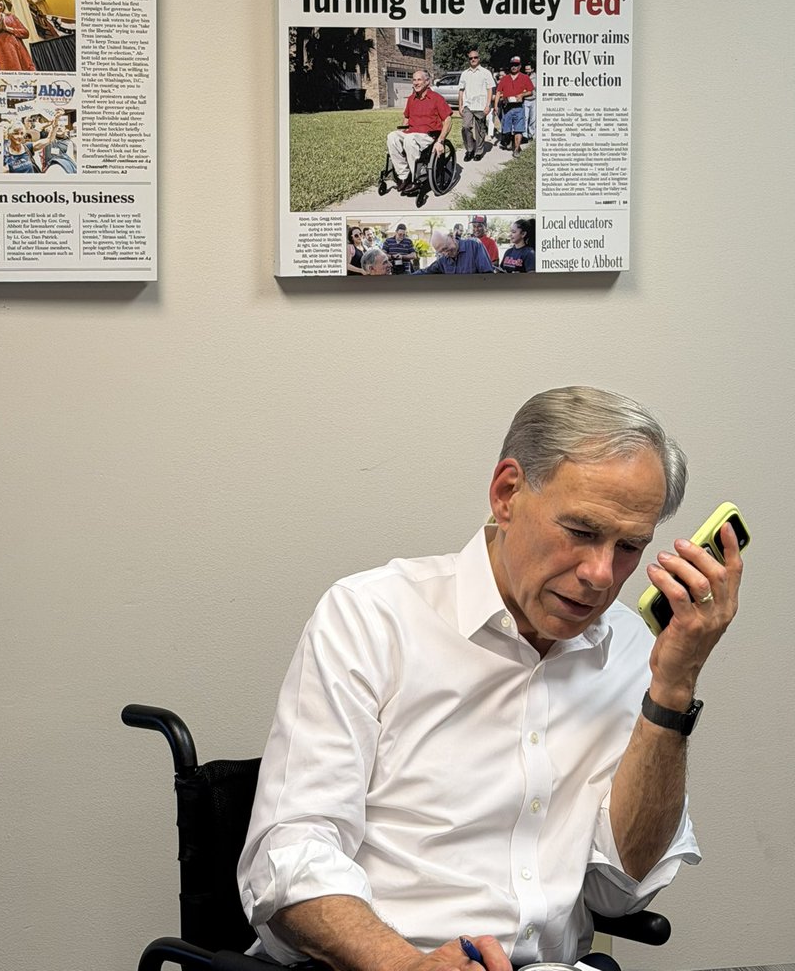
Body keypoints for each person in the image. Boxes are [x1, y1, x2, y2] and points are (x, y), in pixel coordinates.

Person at [239, 386, 743, 971]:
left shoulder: (633, 650)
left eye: (629, 546)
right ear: (507, 493)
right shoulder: (372, 616)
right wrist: (405, 965)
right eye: (581, 531)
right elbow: (290, 856)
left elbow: (622, 888)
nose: (602, 575)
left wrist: (672, 691)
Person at [386, 70, 452, 195]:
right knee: (392, 136)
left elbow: (448, 120)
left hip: (428, 135)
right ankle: (404, 176)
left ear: (427, 82)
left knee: (410, 139)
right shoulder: (411, 99)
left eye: (419, 80)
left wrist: (441, 141)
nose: (416, 83)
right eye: (414, 80)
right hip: (411, 133)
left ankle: (417, 178)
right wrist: (402, 131)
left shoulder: (437, 98)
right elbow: (406, 118)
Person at [457, 49, 495, 162]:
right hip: (468, 106)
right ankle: (469, 149)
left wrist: (488, 105)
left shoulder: (485, 72)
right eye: (471, 58)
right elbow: (461, 90)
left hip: (481, 106)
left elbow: (490, 90)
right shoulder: (464, 73)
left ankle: (478, 151)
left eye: (475, 57)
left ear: (479, 58)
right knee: (465, 127)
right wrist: (460, 106)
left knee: (480, 130)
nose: (473, 59)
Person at [495, 56, 535, 153]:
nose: (514, 67)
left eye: (516, 65)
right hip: (507, 107)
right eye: (512, 65)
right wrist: (496, 105)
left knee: (519, 129)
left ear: (520, 66)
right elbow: (498, 92)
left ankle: (516, 149)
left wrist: (522, 94)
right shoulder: (505, 78)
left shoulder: (524, 77)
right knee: (506, 129)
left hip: (519, 107)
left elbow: (531, 91)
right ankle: (509, 142)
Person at [416, 227, 495, 274]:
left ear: (451, 237)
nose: (445, 254)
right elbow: (425, 272)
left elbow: (487, 276)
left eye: (445, 248)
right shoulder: (442, 260)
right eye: (441, 252)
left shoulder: (474, 245)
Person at [523, 62, 537, 142]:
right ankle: (525, 135)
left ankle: (531, 134)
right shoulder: (524, 77)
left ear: (532, 69)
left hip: (534, 99)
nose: (527, 71)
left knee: (533, 118)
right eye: (526, 69)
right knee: (525, 118)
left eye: (528, 69)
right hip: (526, 100)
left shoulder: (536, 77)